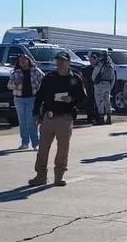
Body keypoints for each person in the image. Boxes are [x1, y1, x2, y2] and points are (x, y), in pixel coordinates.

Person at [29, 52, 87, 187]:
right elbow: (39, 97)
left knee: (62, 149)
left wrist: (72, 99)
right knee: (43, 148)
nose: (60, 63)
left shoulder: (75, 79)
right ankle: (40, 175)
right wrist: (36, 113)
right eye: (58, 61)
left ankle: (59, 176)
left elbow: (83, 99)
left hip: (65, 118)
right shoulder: (49, 77)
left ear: (68, 63)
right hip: (48, 117)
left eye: (63, 61)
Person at [8, 55, 44, 150]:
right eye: (20, 60)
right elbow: (9, 86)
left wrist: (40, 90)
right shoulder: (15, 72)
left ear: (29, 60)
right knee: (22, 122)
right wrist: (14, 83)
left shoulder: (36, 71)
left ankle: (35, 143)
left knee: (31, 121)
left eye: (24, 59)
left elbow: (44, 81)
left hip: (32, 98)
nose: (22, 61)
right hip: (19, 99)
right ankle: (24, 142)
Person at [92, 50, 116, 124]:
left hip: (99, 84)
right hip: (108, 84)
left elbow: (94, 75)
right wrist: (111, 86)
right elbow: (113, 77)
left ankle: (101, 118)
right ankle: (109, 117)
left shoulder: (99, 64)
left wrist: (94, 83)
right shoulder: (111, 65)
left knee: (100, 101)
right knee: (107, 101)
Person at [80, 53, 100, 124]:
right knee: (90, 102)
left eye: (93, 59)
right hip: (90, 87)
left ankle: (97, 117)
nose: (91, 61)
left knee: (97, 103)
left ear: (96, 60)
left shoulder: (99, 69)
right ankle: (90, 117)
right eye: (90, 59)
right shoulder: (87, 69)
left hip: (97, 87)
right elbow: (83, 76)